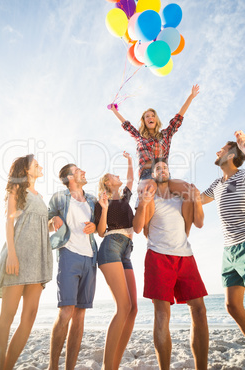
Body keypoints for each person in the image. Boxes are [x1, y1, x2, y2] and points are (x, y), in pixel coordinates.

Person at [133, 158, 209, 370]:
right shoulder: (150, 198)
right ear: (153, 175)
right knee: (162, 314)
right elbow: (139, 228)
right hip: (158, 257)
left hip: (185, 256)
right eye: (158, 168)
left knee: (200, 310)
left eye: (165, 167)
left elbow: (198, 223)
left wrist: (196, 199)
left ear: (169, 172)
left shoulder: (181, 197)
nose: (162, 169)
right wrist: (144, 203)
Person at [0, 154, 53, 370]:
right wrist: (12, 255)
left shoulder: (40, 196)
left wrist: (53, 224)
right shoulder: (17, 190)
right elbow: (9, 222)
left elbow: (39, 227)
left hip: (38, 260)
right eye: (36, 164)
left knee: (30, 315)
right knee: (7, 315)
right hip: (17, 257)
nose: (40, 166)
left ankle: (7, 367)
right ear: (26, 170)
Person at [201, 130, 245, 353]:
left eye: (222, 150)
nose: (218, 151)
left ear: (232, 155)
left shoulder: (244, 175)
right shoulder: (216, 184)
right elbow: (196, 199)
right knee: (233, 306)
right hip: (229, 250)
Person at [47, 164, 97, 370]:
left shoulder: (92, 200)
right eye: (78, 170)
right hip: (68, 255)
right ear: (69, 177)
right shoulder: (59, 198)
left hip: (90, 258)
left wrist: (95, 226)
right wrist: (53, 219)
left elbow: (99, 226)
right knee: (66, 311)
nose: (83, 171)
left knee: (80, 315)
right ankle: (53, 366)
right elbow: (47, 222)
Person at [110, 84, 199, 197]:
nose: (150, 118)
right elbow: (126, 125)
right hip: (146, 175)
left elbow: (178, 118)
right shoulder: (139, 137)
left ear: (156, 120)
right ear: (144, 121)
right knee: (148, 204)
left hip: (163, 174)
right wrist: (114, 110)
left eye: (152, 116)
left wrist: (191, 96)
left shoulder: (165, 135)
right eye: (147, 116)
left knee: (176, 200)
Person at [94, 152, 137, 370]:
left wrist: (130, 160)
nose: (117, 176)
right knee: (123, 307)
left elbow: (130, 179)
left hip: (126, 251)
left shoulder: (125, 197)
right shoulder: (102, 201)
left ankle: (115, 364)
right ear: (107, 183)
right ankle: (107, 366)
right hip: (110, 246)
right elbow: (101, 232)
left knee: (133, 309)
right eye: (113, 175)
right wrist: (102, 208)